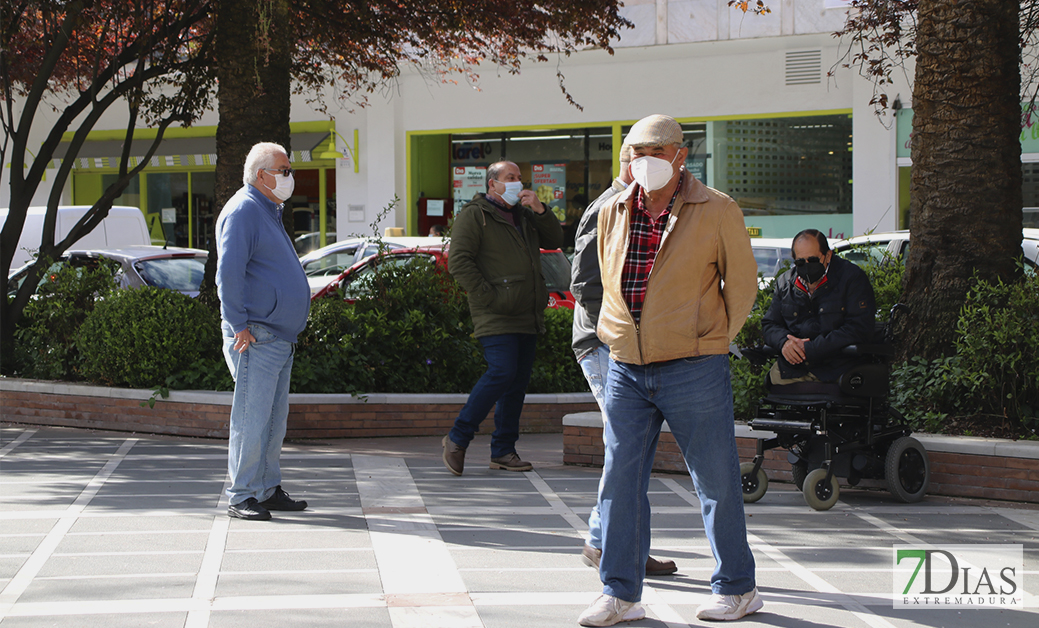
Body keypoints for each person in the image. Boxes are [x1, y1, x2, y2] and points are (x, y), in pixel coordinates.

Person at [578, 115, 761, 626]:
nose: (644, 159)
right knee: (619, 481)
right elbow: (606, 279)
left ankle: (737, 588)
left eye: (655, 150)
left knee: (716, 480)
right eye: (635, 150)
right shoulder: (613, 207)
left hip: (694, 365)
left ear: (681, 155)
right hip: (627, 367)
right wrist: (613, 336)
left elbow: (741, 286)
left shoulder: (716, 208)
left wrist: (714, 340)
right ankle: (619, 593)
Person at [571, 145, 676, 578]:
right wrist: (620, 337)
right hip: (605, 346)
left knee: (630, 450)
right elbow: (584, 284)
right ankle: (615, 545)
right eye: (646, 155)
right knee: (626, 451)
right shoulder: (608, 208)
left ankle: (608, 542)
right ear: (628, 163)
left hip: (625, 346)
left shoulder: (639, 206)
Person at [442, 161, 564, 475]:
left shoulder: (524, 215)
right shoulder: (475, 215)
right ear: (492, 184)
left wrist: (540, 209)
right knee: (501, 372)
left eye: (519, 178)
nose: (517, 183)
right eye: (510, 178)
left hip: (527, 313)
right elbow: (458, 261)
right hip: (495, 313)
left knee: (517, 383)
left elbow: (554, 240)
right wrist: (488, 296)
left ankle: (504, 450)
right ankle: (457, 438)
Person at [216, 142, 312, 521]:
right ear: (262, 175)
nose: (290, 176)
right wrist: (238, 324)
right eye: (284, 169)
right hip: (256, 334)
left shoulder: (267, 210)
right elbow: (228, 274)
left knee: (273, 421)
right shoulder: (244, 210)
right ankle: (241, 494)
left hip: (277, 336)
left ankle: (266, 488)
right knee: (251, 420)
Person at [761, 229, 877, 385]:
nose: (807, 266)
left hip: (839, 366)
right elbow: (770, 324)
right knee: (770, 384)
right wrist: (784, 343)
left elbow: (859, 328)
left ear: (828, 256)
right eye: (800, 262)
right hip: (795, 367)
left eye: (813, 260)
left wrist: (811, 348)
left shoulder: (852, 278)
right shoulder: (785, 283)